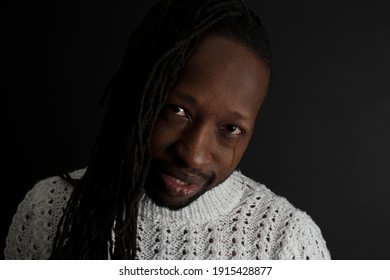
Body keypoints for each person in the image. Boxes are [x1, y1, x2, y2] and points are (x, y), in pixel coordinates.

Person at [4, 0, 330, 260]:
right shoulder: (49, 210)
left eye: (230, 128)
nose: (194, 155)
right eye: (176, 111)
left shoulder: (286, 240)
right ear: (138, 91)